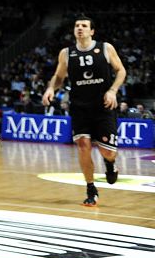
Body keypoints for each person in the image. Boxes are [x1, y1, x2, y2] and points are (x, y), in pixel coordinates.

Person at [42, 16, 127, 207]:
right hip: (80, 107)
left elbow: (121, 71)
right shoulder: (66, 53)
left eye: (84, 25)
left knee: (108, 152)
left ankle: (110, 164)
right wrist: (50, 88)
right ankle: (91, 189)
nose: (80, 28)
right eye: (77, 25)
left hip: (103, 106)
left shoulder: (105, 48)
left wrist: (113, 90)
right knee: (83, 145)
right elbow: (59, 76)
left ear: (92, 31)